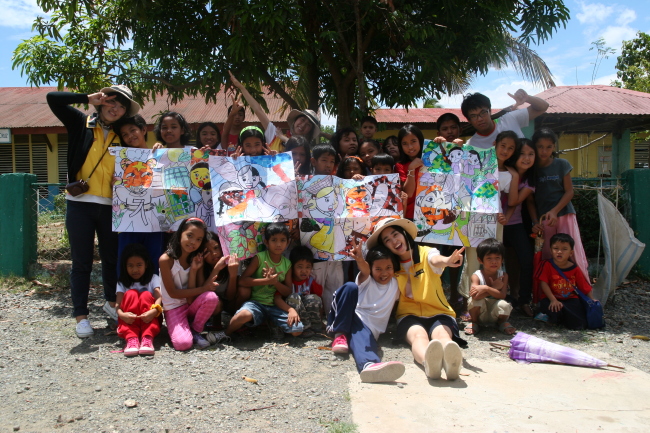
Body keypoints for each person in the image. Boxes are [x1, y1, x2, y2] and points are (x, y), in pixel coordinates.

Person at [47, 85, 140, 338]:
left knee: (111, 259)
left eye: (121, 106)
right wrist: (85, 99)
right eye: (111, 102)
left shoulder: (121, 135)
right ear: (101, 102)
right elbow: (52, 99)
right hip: (80, 204)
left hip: (111, 206)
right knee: (82, 262)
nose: (115, 108)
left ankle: (111, 305)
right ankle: (81, 317)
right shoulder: (81, 123)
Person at [366, 218, 467, 380]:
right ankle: (430, 363)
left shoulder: (427, 252)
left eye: (395, 234)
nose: (394, 241)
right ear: (384, 247)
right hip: (408, 315)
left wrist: (447, 261)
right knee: (418, 337)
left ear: (405, 234)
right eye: (387, 240)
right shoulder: (390, 267)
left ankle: (451, 363)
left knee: (442, 335)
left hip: (439, 312)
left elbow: (436, 260)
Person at [208, 223, 303, 343]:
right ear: (266, 242)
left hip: (274, 305)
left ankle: (272, 323)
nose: (278, 244)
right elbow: (242, 280)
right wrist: (265, 281)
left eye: (283, 240)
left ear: (287, 243)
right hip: (256, 303)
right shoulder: (259, 258)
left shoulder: (287, 264)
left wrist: (275, 283)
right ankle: (225, 333)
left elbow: (288, 290)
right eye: (274, 240)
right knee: (241, 316)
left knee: (297, 330)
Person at [328, 240, 404, 383]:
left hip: (369, 329)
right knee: (350, 287)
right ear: (371, 268)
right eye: (378, 269)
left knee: (360, 336)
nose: (384, 273)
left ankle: (369, 367)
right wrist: (360, 260)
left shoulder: (396, 284)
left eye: (388, 267)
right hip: (349, 317)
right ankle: (342, 337)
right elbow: (365, 270)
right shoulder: (367, 280)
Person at [531, 128, 589, 281]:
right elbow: (529, 199)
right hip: (544, 219)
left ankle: (583, 293)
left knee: (572, 253)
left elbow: (569, 192)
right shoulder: (531, 168)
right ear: (534, 146)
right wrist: (535, 221)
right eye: (540, 147)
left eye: (549, 147)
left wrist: (555, 211)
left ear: (554, 147)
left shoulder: (562, 164)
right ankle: (549, 294)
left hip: (564, 215)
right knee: (548, 255)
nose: (544, 151)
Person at [112, 114, 165, 275]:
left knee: (154, 261)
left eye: (132, 130)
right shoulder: (118, 160)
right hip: (128, 222)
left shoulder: (160, 154)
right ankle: (126, 298)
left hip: (155, 222)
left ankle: (155, 298)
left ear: (143, 130)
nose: (130, 136)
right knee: (126, 261)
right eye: (125, 134)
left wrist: (163, 153)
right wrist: (114, 184)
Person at [159, 218, 220, 350]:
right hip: (173, 308)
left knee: (211, 297)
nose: (193, 242)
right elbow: (172, 293)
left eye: (198, 239)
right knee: (183, 344)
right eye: (190, 236)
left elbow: (191, 298)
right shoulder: (166, 260)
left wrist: (193, 271)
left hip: (190, 304)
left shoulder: (196, 258)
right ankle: (187, 329)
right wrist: (203, 288)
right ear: (180, 233)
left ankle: (195, 330)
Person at [308, 144, 344, 313]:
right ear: (314, 161)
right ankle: (316, 316)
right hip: (314, 245)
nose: (328, 164)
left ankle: (333, 315)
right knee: (316, 281)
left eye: (332, 161)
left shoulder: (340, 183)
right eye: (324, 160)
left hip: (336, 245)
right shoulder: (305, 183)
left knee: (335, 283)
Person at [502, 138, 536, 316]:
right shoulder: (501, 170)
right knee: (493, 261)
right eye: (522, 153)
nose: (526, 158)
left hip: (514, 224)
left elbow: (515, 201)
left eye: (531, 154)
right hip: (496, 225)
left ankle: (524, 300)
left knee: (526, 260)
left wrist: (515, 176)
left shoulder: (530, 179)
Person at [537, 233, 596, 329]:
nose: (559, 252)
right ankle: (551, 317)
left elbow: (583, 286)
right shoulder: (547, 265)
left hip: (570, 299)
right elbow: (543, 283)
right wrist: (553, 300)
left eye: (564, 249)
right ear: (551, 251)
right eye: (556, 248)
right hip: (551, 298)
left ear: (571, 253)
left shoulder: (574, 269)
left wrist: (592, 300)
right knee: (554, 310)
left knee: (579, 324)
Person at [115, 243, 162, 356]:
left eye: (139, 265)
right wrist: (122, 315)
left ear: (146, 264)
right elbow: (118, 304)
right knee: (131, 294)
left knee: (146, 294)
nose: (135, 269)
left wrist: (155, 310)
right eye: (130, 266)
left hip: (150, 318)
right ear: (125, 266)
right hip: (129, 320)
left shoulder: (153, 278)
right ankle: (131, 338)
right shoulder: (122, 282)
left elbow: (159, 297)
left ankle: (147, 337)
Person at [461, 89, 548, 149]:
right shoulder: (471, 145)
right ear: (469, 120)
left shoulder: (510, 119)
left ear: (490, 111)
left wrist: (527, 98)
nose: (479, 119)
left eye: (483, 113)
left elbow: (543, 107)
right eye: (473, 116)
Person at [466, 238, 516, 335]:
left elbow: (502, 295)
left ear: (502, 259)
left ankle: (501, 322)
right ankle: (475, 322)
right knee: (473, 302)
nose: (494, 262)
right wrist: (493, 286)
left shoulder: (503, 275)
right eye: (489, 258)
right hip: (481, 313)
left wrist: (486, 288)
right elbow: (475, 296)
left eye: (497, 258)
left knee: (504, 304)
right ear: (480, 260)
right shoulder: (476, 276)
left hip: (495, 312)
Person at [277, 245, 324, 333]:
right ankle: (302, 328)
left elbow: (319, 302)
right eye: (300, 266)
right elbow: (277, 298)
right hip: (291, 316)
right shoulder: (287, 281)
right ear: (292, 266)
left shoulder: (310, 281)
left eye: (308, 267)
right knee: (294, 297)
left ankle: (315, 326)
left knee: (315, 298)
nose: (304, 270)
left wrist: (320, 320)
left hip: (307, 314)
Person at [197, 232, 239, 321]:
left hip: (229, 303)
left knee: (244, 292)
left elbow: (230, 297)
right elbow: (202, 292)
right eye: (208, 251)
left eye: (216, 248)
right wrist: (216, 269)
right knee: (216, 302)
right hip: (211, 304)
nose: (214, 253)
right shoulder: (201, 267)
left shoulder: (232, 263)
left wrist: (233, 275)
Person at [395, 124, 425, 220]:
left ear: (420, 141)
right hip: (411, 215)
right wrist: (411, 168)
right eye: (405, 144)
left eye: (413, 141)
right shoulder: (400, 166)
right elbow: (408, 193)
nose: (410, 147)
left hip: (433, 212)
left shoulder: (432, 160)